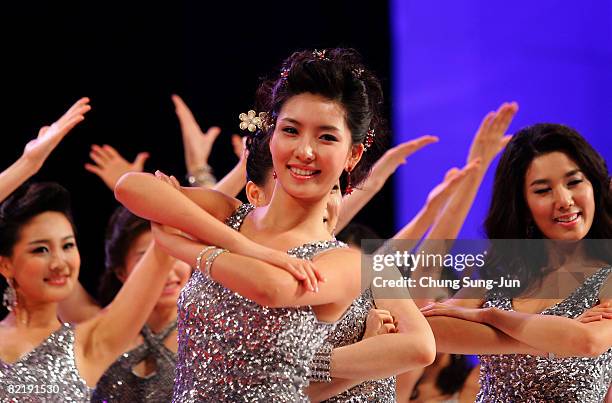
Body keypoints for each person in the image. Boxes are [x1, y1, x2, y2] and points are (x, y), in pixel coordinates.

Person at [115, 48, 436, 402]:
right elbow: (131, 187)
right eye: (291, 130)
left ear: (353, 155)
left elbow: (271, 288)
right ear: (272, 136)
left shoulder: (348, 263)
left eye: (326, 137)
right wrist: (242, 245)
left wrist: (183, 245)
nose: (305, 151)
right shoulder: (227, 215)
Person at [421, 123, 612, 402]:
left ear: (593, 184)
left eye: (574, 182)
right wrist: (550, 336)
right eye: (543, 190)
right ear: (522, 204)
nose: (564, 200)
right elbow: (430, 329)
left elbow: (587, 341)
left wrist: (490, 317)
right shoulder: (501, 276)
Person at [0, 182, 177, 401]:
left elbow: (162, 249)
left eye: (67, 246)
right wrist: (28, 164)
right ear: (5, 264)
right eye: (41, 250)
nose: (59, 263)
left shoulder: (89, 343)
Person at [57, 206, 191, 402]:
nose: (166, 271)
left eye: (175, 254)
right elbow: (57, 274)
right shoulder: (97, 330)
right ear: (121, 272)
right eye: (149, 259)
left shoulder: (207, 333)